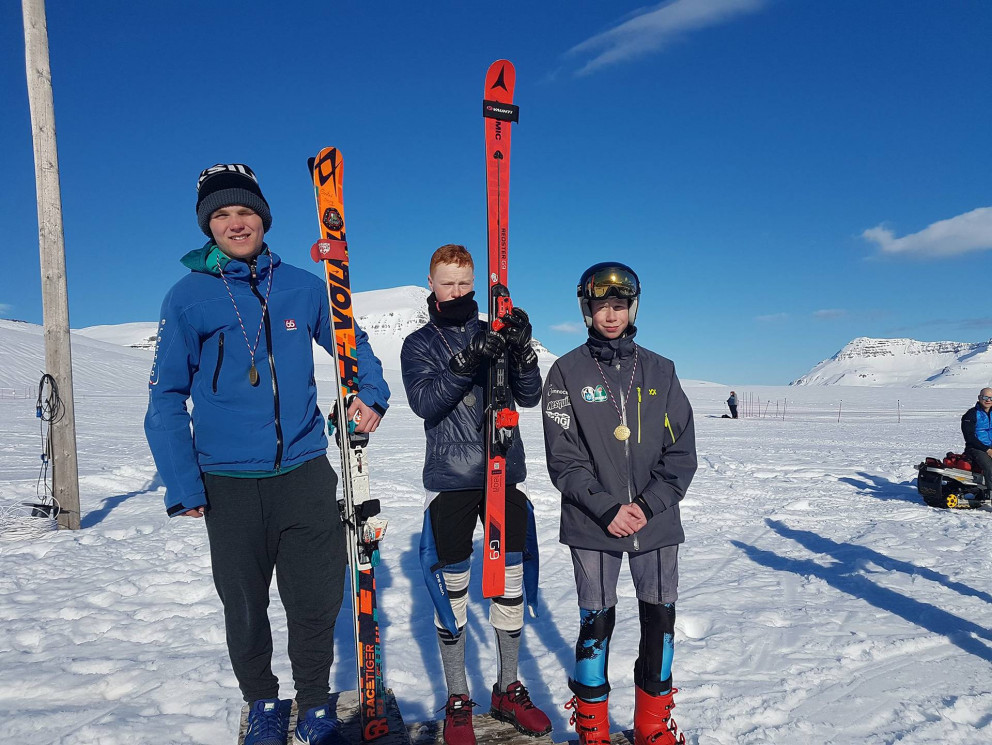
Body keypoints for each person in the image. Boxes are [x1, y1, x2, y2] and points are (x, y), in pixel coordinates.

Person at [144, 163, 390, 745]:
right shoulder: (187, 298)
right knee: (246, 605)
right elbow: (165, 397)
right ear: (209, 225)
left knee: (315, 596)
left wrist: (371, 395)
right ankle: (262, 701)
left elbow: (355, 350)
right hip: (227, 479)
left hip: (303, 469)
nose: (235, 222)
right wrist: (183, 483)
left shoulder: (306, 286)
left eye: (245, 211)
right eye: (222, 214)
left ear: (263, 218)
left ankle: (314, 702)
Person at [400, 244, 551, 745]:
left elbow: (528, 394)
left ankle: (507, 687)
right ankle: (459, 697)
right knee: (454, 588)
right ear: (432, 283)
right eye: (448, 282)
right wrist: (467, 361)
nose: (458, 291)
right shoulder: (419, 342)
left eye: (465, 283)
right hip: (451, 478)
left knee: (509, 581)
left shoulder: (495, 332)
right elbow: (425, 402)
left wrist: (521, 351)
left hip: (503, 471)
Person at [541, 262, 697, 745]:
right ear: (586, 310)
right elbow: (563, 458)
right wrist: (608, 508)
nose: (610, 315)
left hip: (656, 523)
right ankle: (593, 725)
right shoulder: (565, 372)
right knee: (596, 619)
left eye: (619, 305)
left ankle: (653, 721)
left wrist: (647, 506)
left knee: (660, 617)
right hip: (593, 523)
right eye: (600, 306)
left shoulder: (661, 370)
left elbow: (682, 453)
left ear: (633, 308)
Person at [961, 388, 992, 494]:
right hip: (976, 448)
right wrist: (987, 449)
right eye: (985, 397)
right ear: (979, 398)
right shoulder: (971, 414)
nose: (988, 400)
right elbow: (969, 437)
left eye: (991, 398)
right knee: (990, 467)